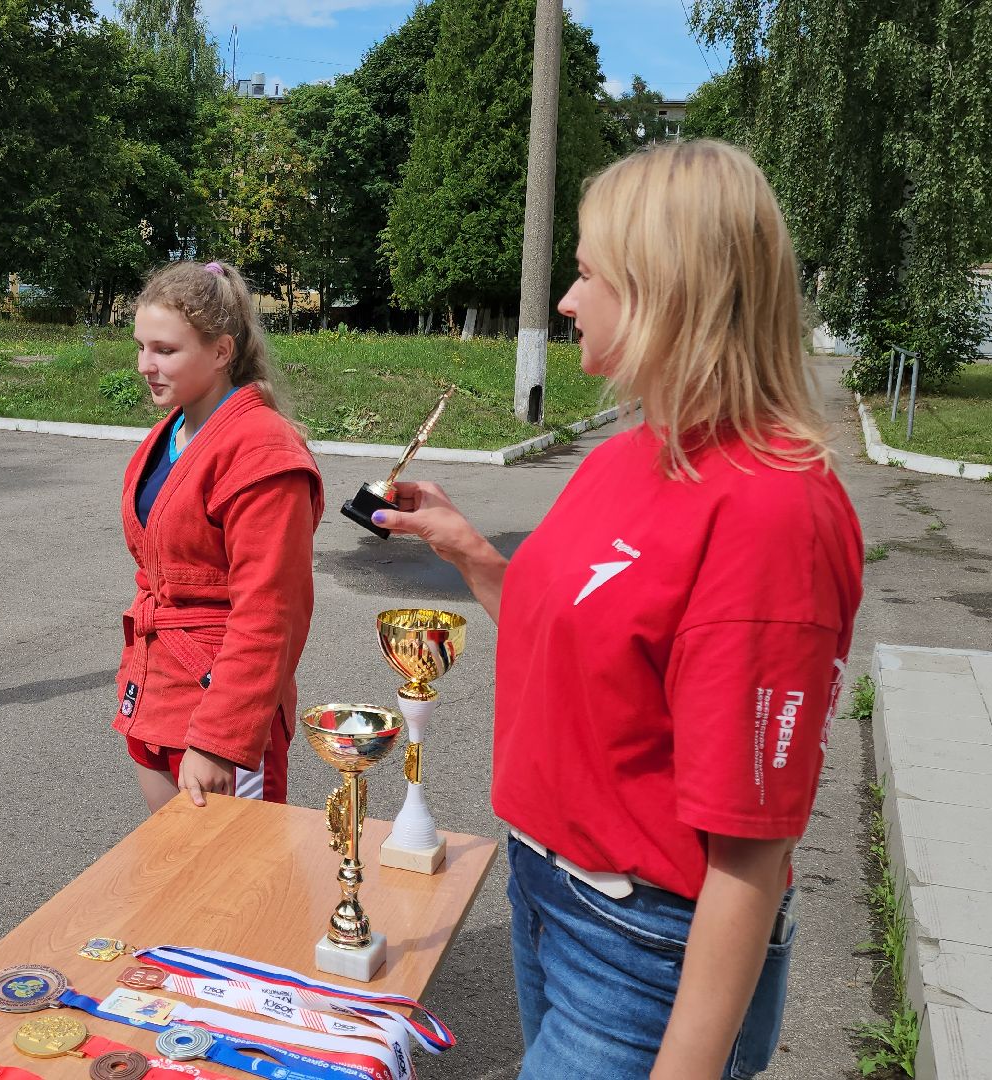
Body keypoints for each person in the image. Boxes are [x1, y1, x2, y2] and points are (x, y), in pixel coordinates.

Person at [372, 140, 864, 1078]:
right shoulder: (628, 453)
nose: (565, 298)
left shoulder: (770, 511)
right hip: (546, 887)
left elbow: (750, 855)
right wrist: (470, 550)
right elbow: (579, 641)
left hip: (646, 944)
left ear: (667, 290)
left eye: (590, 272)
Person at [114, 260, 323, 812]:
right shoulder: (175, 430)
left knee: (234, 889)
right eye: (140, 347)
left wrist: (221, 739)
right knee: (175, 874)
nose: (144, 365)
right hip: (158, 687)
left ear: (221, 351)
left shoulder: (262, 453)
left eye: (164, 350)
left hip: (217, 702)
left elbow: (270, 611)